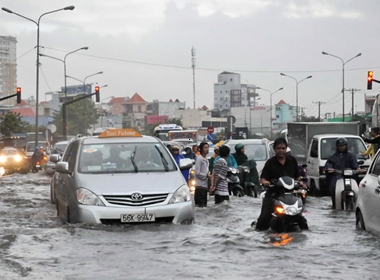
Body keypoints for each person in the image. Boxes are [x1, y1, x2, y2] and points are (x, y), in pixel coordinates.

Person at [255, 138, 304, 231]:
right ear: (274, 149)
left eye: (283, 148)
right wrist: (265, 182)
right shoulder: (270, 162)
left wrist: (301, 183)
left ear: (286, 149)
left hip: (290, 194)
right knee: (264, 218)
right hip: (274, 194)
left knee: (301, 216)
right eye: (278, 148)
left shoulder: (292, 161)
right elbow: (263, 178)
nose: (281, 150)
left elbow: (298, 176)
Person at [325, 137, 362, 209]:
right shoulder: (332, 157)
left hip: (350, 177)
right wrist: (330, 169)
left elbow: (355, 165)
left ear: (346, 146)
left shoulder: (351, 155)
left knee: (360, 186)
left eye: (343, 145)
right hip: (338, 177)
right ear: (337, 146)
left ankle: (358, 204)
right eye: (340, 146)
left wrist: (359, 169)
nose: (342, 147)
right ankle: (335, 203)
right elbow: (328, 166)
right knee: (333, 187)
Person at [194, 142, 210, 207]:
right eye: (205, 147)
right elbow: (197, 172)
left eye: (208, 147)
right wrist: (206, 176)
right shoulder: (199, 158)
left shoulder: (206, 159)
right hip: (199, 186)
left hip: (205, 186)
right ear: (201, 149)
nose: (207, 149)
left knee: (204, 205)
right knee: (200, 206)